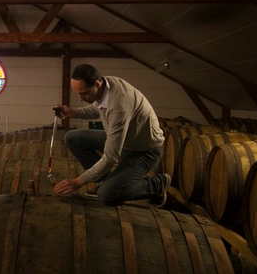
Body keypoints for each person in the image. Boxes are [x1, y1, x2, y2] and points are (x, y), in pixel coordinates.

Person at [53, 64, 170, 207]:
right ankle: (107, 180)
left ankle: (155, 184)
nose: (80, 98)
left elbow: (110, 158)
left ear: (96, 83)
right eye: (78, 93)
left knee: (107, 195)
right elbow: (97, 108)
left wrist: (78, 182)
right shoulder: (106, 84)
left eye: (83, 93)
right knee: (72, 138)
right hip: (128, 141)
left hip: (145, 151)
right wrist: (74, 113)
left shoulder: (119, 105)